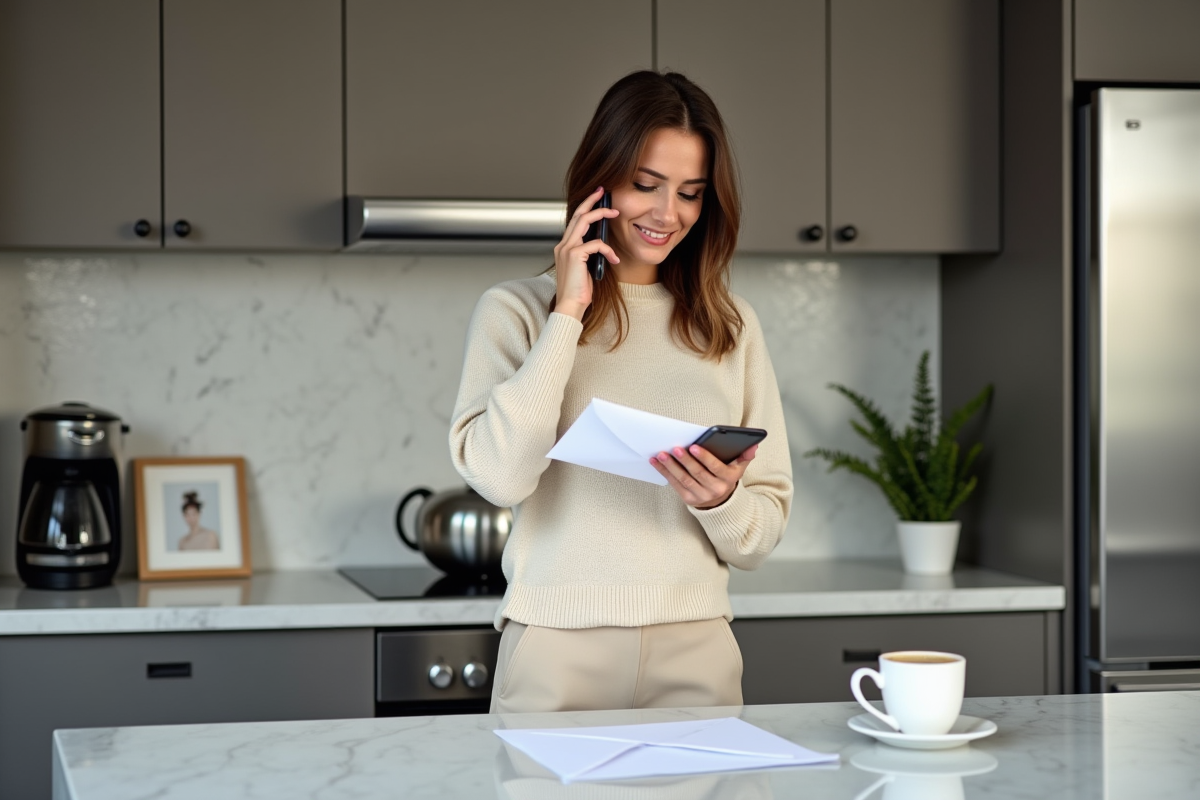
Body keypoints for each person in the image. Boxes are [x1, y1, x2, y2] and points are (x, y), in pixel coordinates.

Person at [450, 70, 792, 713]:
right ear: (598, 180)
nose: (669, 214)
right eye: (646, 185)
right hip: (556, 646)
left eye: (690, 193)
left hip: (696, 646)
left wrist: (721, 500)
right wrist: (569, 311)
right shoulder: (517, 313)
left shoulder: (729, 324)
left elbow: (760, 535)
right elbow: (500, 478)